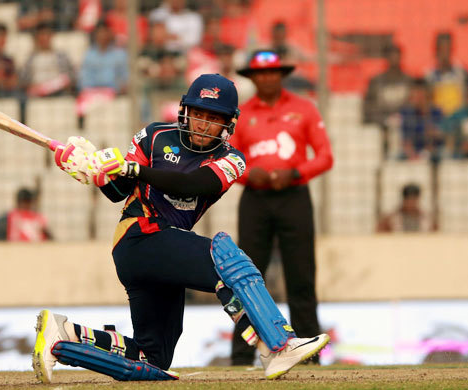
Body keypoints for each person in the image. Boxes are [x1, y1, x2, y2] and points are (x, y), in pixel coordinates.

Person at [32, 73, 329, 384]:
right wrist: (91, 171)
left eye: (213, 118)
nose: (203, 124)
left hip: (166, 250)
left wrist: (133, 168)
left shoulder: (232, 159)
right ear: (185, 112)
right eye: (198, 114)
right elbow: (119, 192)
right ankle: (275, 345)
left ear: (228, 124)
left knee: (153, 359)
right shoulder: (154, 136)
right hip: (139, 237)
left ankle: (63, 337)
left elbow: (193, 185)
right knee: (225, 256)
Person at [228, 51, 333, 366]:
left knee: (301, 276)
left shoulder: (304, 109)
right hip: (256, 201)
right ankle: (240, 357)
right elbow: (228, 160)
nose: (267, 78)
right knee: (244, 277)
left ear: (281, 75)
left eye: (273, 72)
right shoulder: (241, 114)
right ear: (253, 78)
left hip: (294, 196)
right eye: (261, 74)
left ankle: (310, 355)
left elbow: (325, 156)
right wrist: (249, 174)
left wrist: (296, 173)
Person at [363, 45, 413, 131]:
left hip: (406, 126)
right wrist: (384, 120)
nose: (394, 59)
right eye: (391, 56)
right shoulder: (376, 81)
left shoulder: (409, 81)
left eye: (396, 56)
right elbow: (368, 106)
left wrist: (402, 118)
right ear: (386, 58)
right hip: (381, 126)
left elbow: (414, 105)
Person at [20, 22, 76, 98]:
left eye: (47, 34)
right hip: (37, 94)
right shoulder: (31, 58)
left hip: (59, 92)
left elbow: (71, 77)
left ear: (51, 36)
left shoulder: (61, 56)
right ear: (36, 37)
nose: (44, 38)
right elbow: (24, 81)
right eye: (41, 35)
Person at [424, 32, 468, 119]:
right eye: (442, 48)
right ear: (436, 50)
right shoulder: (429, 75)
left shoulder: (463, 73)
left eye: (447, 48)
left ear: (452, 49)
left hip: (459, 119)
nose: (445, 53)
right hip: (437, 119)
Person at [399, 78, 444, 161]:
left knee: (444, 154)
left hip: (434, 151)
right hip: (414, 151)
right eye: (415, 96)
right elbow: (406, 140)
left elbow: (442, 135)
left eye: (421, 96)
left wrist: (434, 133)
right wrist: (412, 155)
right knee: (397, 156)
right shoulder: (407, 113)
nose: (418, 99)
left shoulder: (436, 112)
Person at [79, 22, 128, 94]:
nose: (102, 35)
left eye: (105, 31)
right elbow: (84, 78)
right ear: (95, 35)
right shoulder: (89, 55)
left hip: (115, 94)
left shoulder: (120, 54)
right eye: (100, 32)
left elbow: (125, 76)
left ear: (110, 33)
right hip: (93, 94)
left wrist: (120, 89)